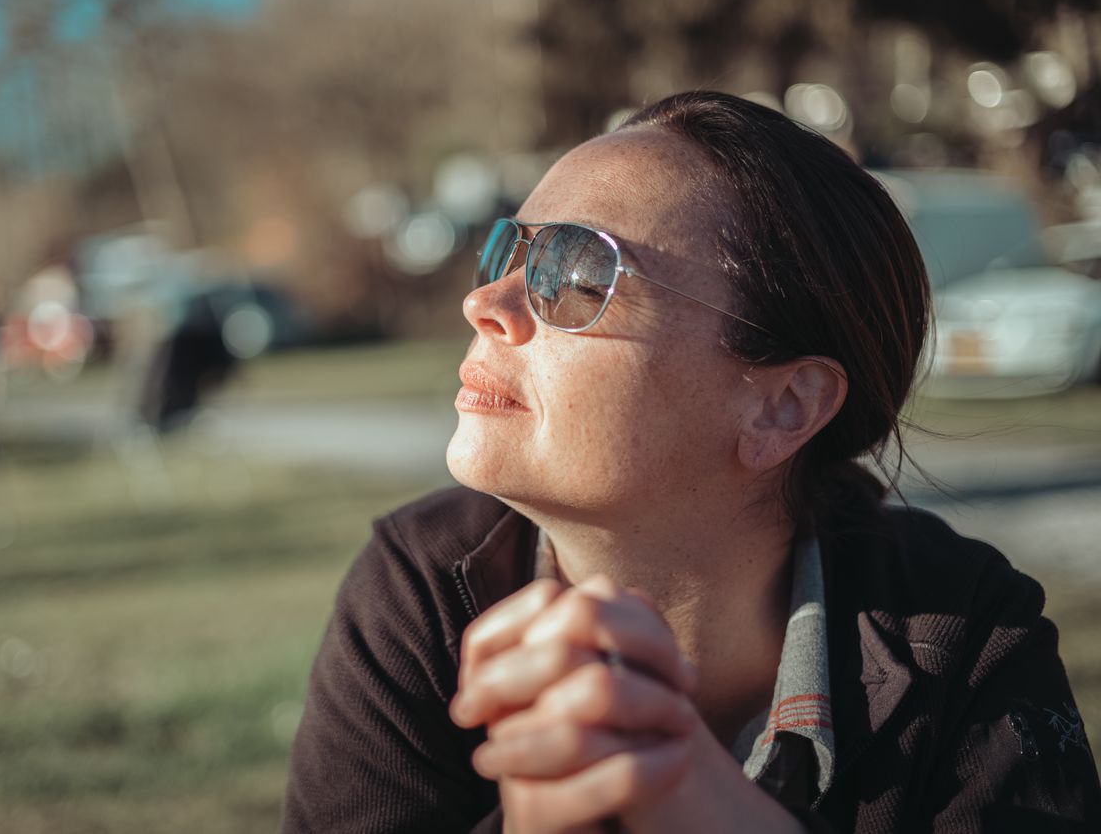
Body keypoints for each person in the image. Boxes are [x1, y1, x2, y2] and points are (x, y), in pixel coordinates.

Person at [281, 92, 1101, 832]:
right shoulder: (421, 595)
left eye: (574, 272)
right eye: (509, 253)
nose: (482, 304)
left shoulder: (964, 632)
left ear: (781, 407)